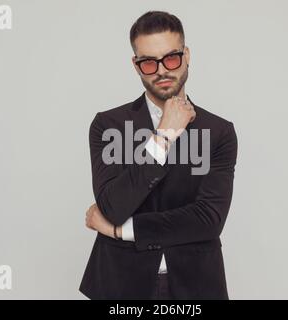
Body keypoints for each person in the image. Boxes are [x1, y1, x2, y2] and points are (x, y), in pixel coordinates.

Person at [80, 10, 238, 300]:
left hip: (196, 286)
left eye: (172, 58)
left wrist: (120, 231)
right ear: (136, 65)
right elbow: (113, 206)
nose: (162, 70)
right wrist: (163, 136)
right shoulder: (108, 125)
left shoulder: (219, 132)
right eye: (149, 63)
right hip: (119, 285)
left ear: (187, 55)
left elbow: (209, 219)